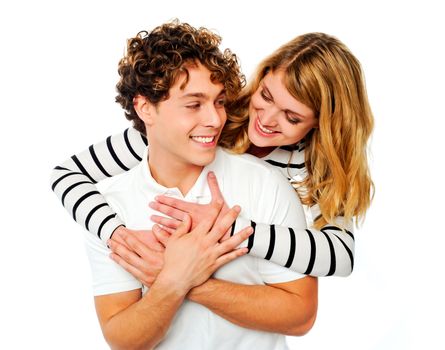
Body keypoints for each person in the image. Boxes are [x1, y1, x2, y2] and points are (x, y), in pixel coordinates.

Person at [69, 21, 317, 349]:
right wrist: (175, 279)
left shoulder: (265, 184)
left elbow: (300, 315)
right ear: (145, 108)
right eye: (193, 104)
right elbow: (123, 339)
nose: (215, 120)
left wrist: (185, 280)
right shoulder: (108, 209)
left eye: (219, 101)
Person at [50, 27, 373, 278]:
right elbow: (66, 175)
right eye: (266, 95)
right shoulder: (208, 118)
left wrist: (232, 231)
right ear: (262, 78)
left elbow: (340, 256)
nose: (266, 118)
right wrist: (116, 234)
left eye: (292, 117)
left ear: (322, 124)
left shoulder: (312, 163)